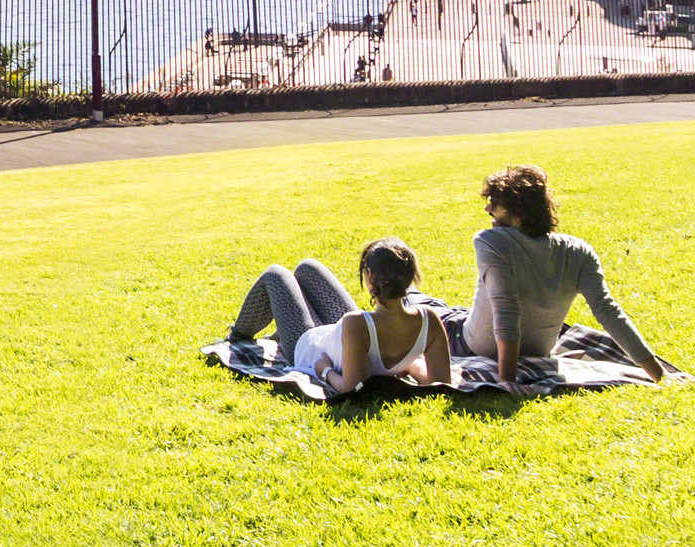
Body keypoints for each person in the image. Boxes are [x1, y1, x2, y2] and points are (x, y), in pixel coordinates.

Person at [469, 163, 672, 382]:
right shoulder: (578, 251)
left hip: (477, 347)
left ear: (517, 212)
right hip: (539, 352)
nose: (487, 210)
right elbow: (608, 312)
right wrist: (659, 374)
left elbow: (506, 309)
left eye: (494, 204)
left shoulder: (491, 241)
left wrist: (507, 383)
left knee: (438, 316)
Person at [226, 238, 456, 394]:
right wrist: (411, 366)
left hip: (306, 345)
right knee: (307, 268)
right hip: (341, 336)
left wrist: (323, 370)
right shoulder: (428, 320)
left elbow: (350, 386)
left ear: (370, 277)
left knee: (276, 275)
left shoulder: (356, 323)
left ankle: (237, 336)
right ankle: (276, 335)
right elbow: (441, 381)